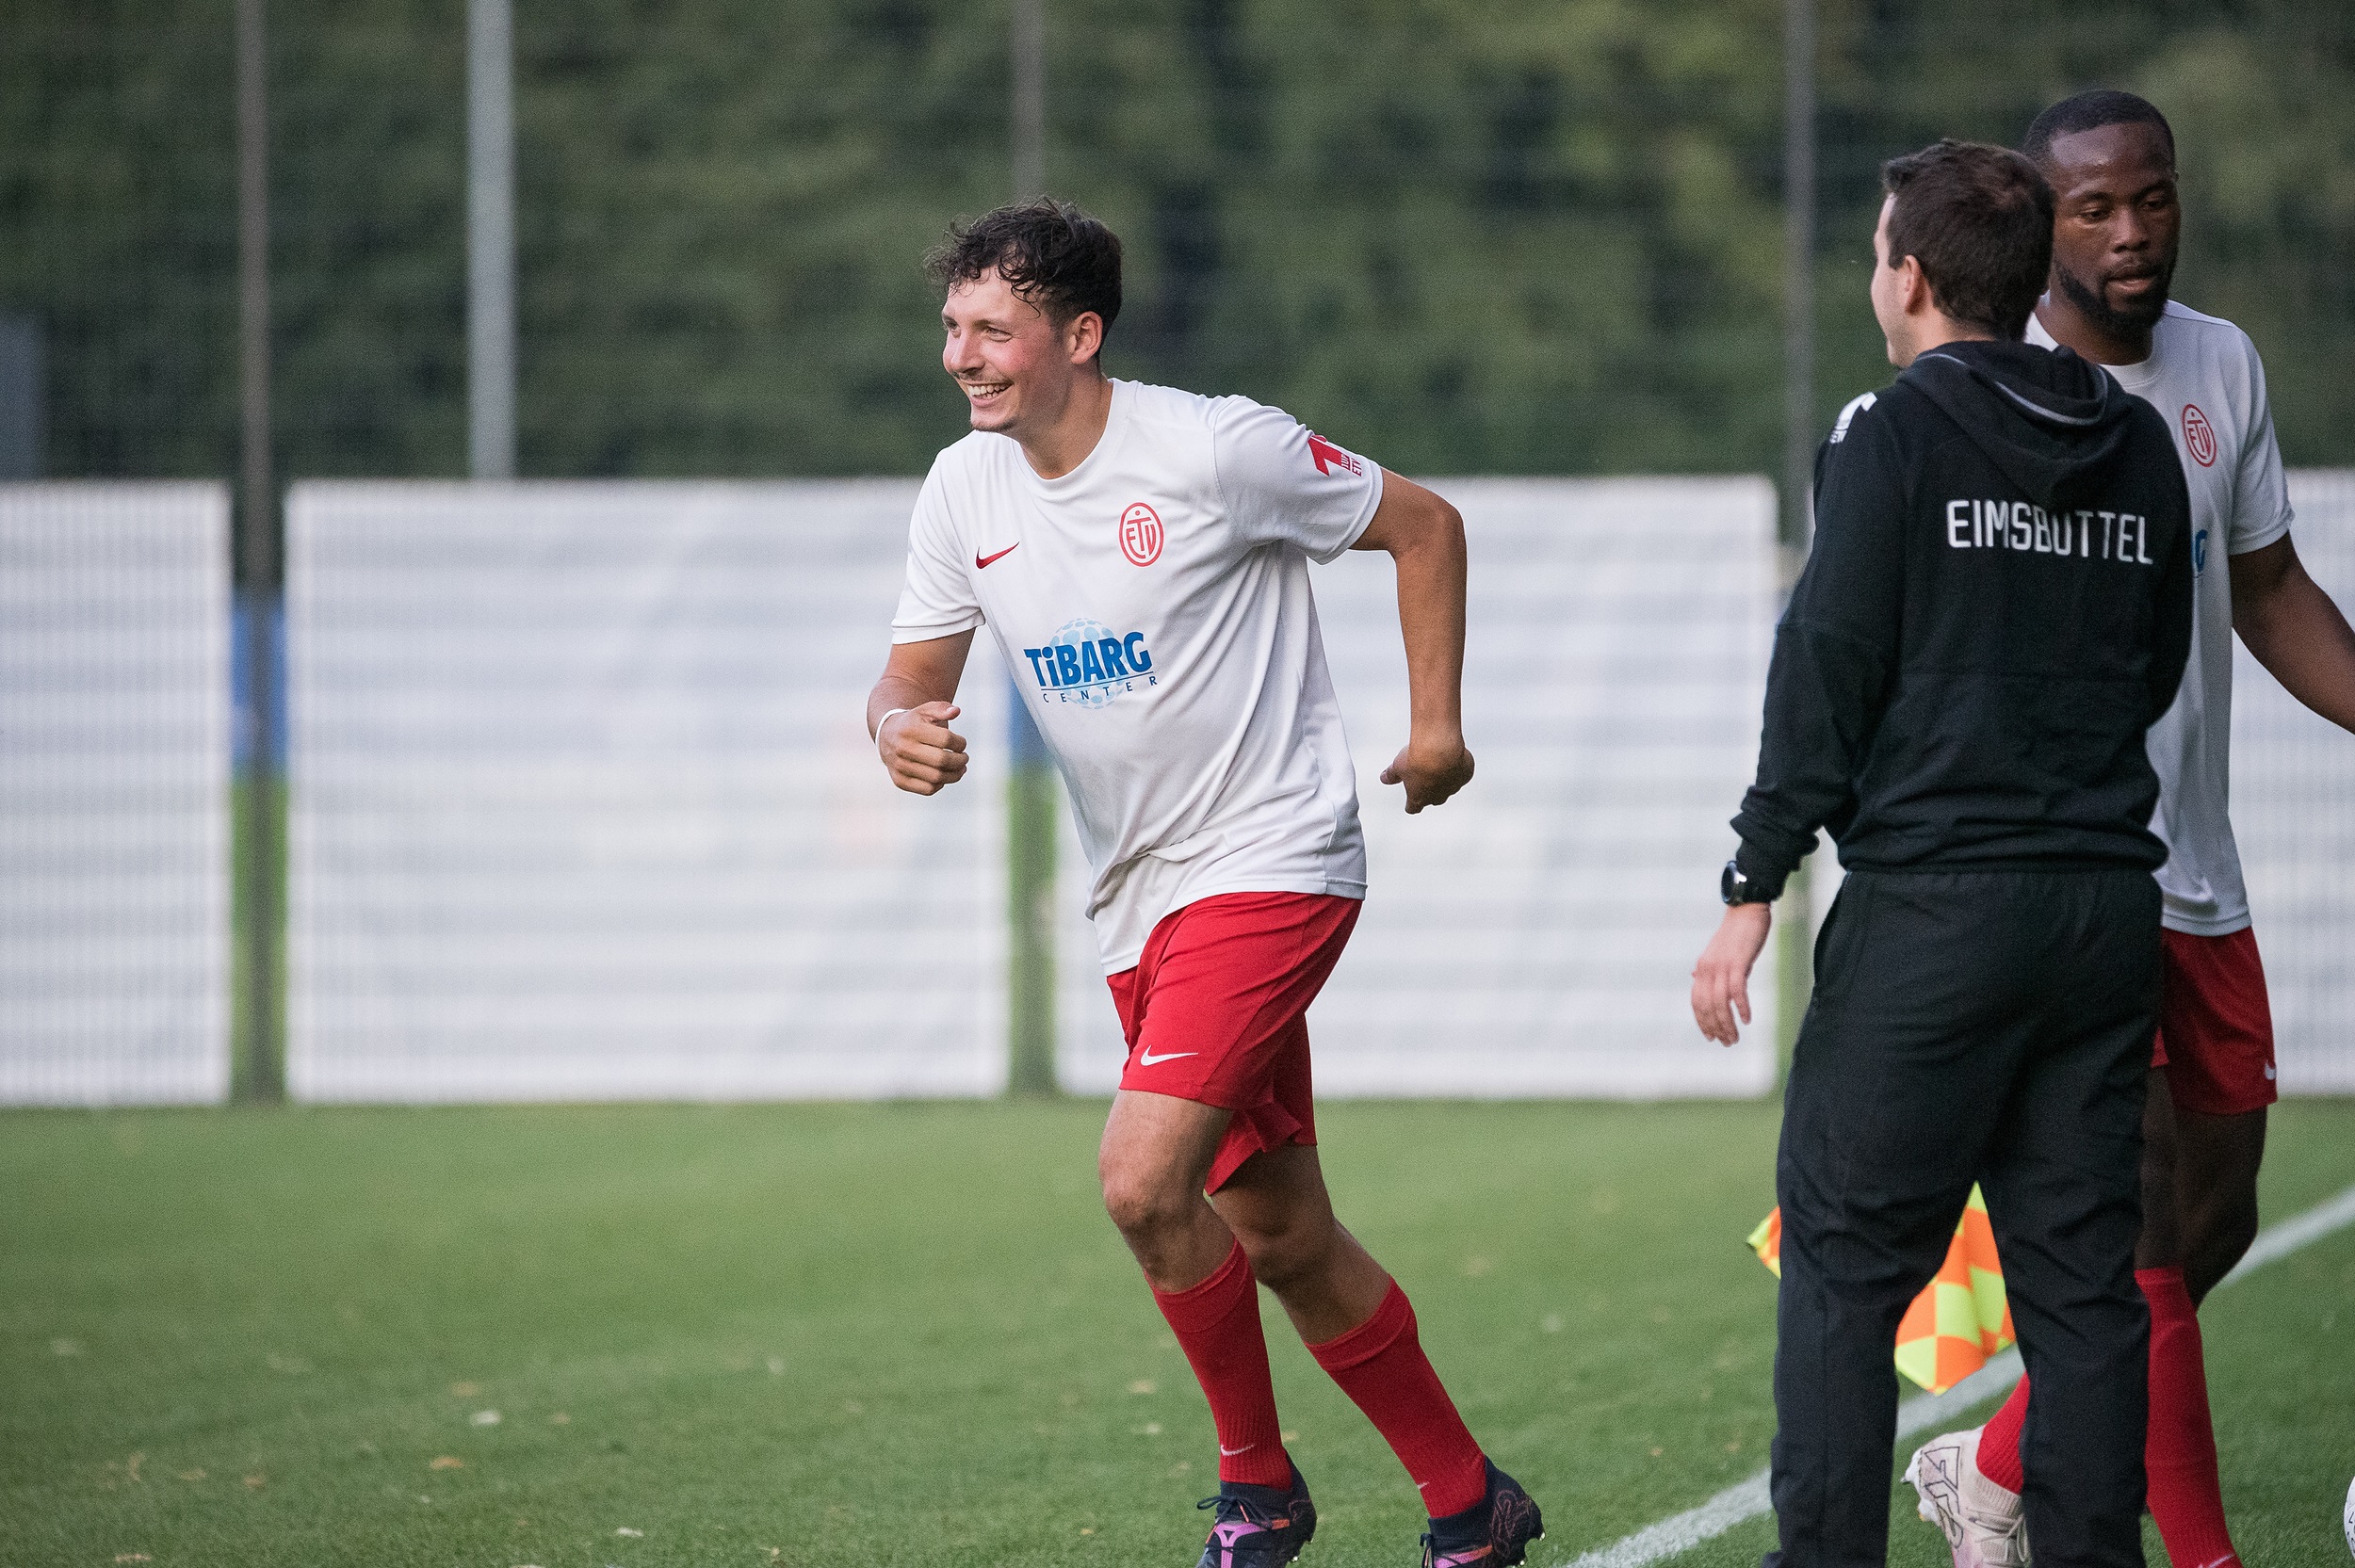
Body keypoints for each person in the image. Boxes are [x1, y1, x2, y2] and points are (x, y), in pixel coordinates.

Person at [867, 199, 1543, 1568]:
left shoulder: (1215, 447)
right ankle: (1473, 1499)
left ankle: (1259, 1487)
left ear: (1078, 334)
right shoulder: (964, 489)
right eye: (952, 328)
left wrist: (1435, 725)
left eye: (991, 329)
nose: (962, 354)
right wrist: (895, 729)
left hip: (1274, 859)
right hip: (1141, 901)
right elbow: (909, 681)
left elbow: (1424, 526)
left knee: (1137, 1180)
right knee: (1283, 1228)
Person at [1689, 139, 2194, 1568]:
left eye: (1872, 252)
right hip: (2104, 908)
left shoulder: (1891, 432)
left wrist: (1752, 880)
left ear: (1907, 278)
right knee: (2086, 1289)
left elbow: (1826, 667)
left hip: (1933, 913)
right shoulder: (2138, 441)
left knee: (1846, 1269)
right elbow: (2154, 661)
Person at [1905, 89, 2355, 1568]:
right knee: (2148, 1218)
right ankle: (2209, 1557)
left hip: (2201, 878)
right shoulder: (1984, 383)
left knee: (2219, 1213)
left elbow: (2274, 586)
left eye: (2150, 198)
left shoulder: (2221, 359)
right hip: (2072, 881)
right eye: (2093, 207)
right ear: (2037, 222)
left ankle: (1998, 1460)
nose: (2130, 231)